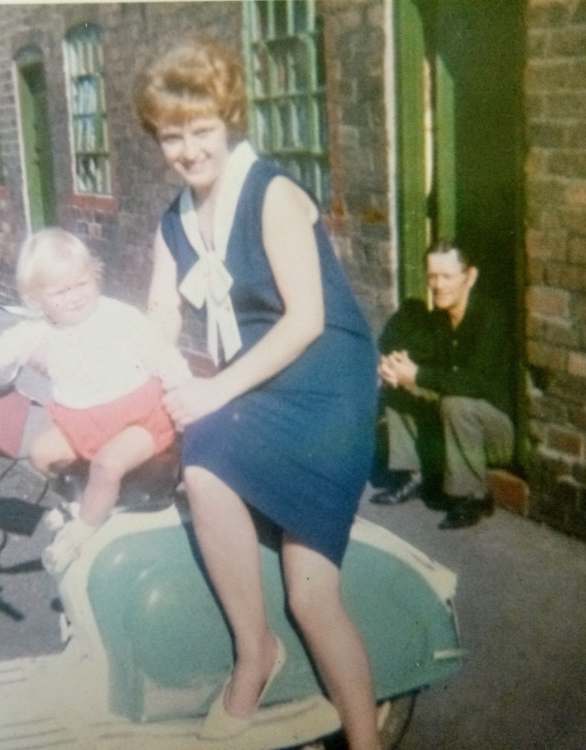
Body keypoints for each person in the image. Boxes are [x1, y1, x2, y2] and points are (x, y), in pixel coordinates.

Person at [135, 39, 381, 748]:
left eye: (202, 130)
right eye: (172, 137)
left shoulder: (270, 193)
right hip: (259, 384)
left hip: (325, 382)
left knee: (305, 584)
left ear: (229, 120)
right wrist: (156, 372)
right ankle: (256, 651)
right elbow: (159, 316)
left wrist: (210, 394)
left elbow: (305, 320)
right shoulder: (173, 221)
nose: (188, 151)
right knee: (210, 468)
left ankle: (365, 740)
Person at [0, 228, 190, 575]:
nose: (75, 297)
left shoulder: (118, 317)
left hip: (140, 418)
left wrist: (185, 392)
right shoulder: (40, 328)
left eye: (82, 284)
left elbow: (162, 353)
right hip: (86, 422)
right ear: (37, 301)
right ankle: (84, 504)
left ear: (94, 277)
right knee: (40, 453)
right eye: (61, 292)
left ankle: (80, 534)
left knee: (107, 465)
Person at [371, 240, 515, 530]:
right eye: (432, 276)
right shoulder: (439, 318)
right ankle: (416, 475)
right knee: (399, 381)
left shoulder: (491, 316)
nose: (437, 285)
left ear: (470, 277)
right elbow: (407, 349)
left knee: (456, 402)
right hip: (460, 428)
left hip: (497, 433)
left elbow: (476, 382)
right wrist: (396, 364)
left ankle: (474, 495)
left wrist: (417, 375)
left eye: (447, 276)